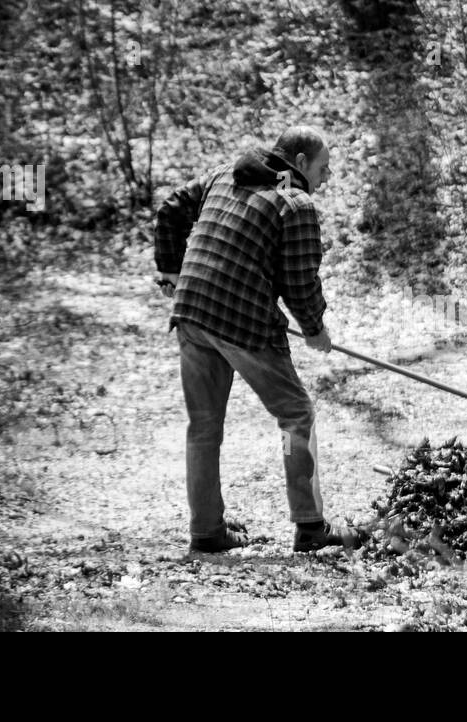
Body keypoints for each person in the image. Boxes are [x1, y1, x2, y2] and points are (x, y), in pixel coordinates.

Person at [154, 125, 361, 554]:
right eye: (323, 168)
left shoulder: (225, 173)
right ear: (300, 163)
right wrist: (315, 329)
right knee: (296, 415)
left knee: (204, 427)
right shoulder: (296, 203)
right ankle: (310, 526)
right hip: (242, 321)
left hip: (192, 310)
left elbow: (172, 207)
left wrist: (171, 270)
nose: (327, 177)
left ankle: (207, 531)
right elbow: (300, 283)